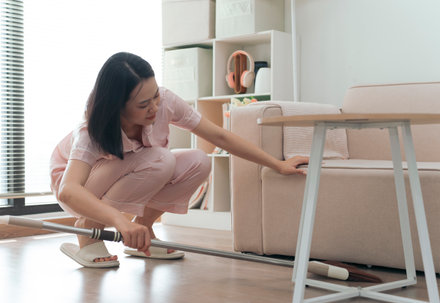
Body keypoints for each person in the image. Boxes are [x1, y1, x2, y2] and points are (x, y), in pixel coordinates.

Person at [50, 52, 309, 268]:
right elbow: (69, 190)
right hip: (80, 189)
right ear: (118, 106)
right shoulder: (90, 131)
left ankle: (144, 227)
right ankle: (88, 230)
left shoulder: (165, 102)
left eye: (155, 96)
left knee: (199, 161)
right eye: (143, 104)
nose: (154, 107)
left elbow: (219, 136)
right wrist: (117, 221)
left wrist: (278, 164)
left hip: (131, 169)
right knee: (160, 159)